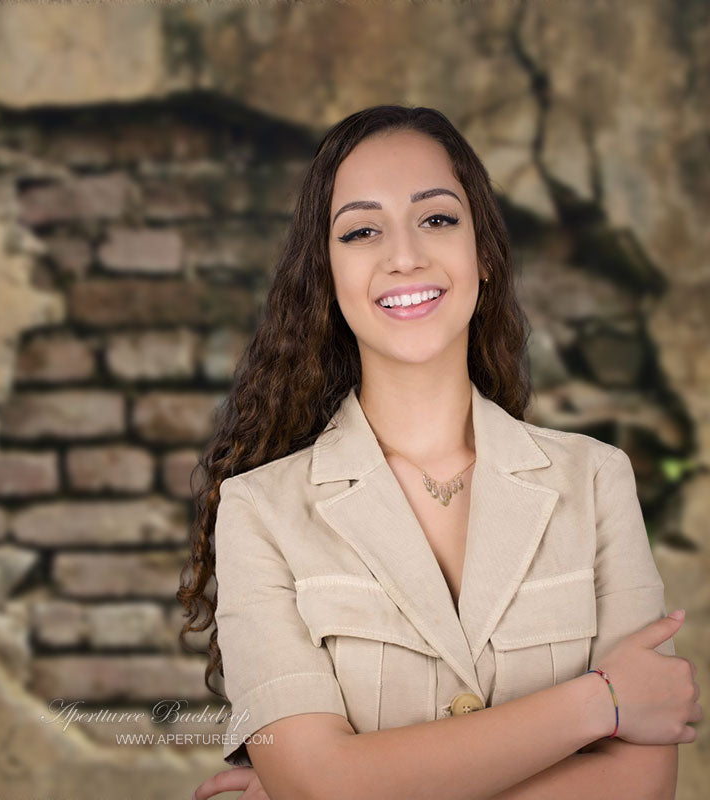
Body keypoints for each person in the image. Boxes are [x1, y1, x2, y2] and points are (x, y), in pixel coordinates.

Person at [179, 105, 701, 800]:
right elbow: (320, 785)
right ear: (327, 278)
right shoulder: (258, 513)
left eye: (437, 219)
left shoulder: (598, 481)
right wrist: (600, 703)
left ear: (482, 252)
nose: (404, 256)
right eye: (362, 231)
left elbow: (640, 787)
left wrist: (349, 785)